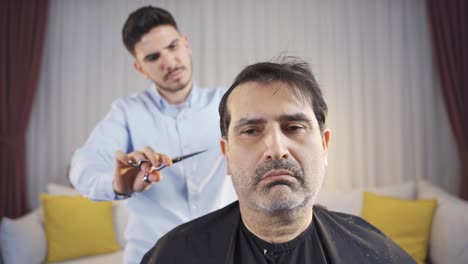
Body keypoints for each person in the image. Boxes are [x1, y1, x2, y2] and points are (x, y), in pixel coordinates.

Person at [140, 58, 416, 263]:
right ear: (226, 154)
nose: (275, 148)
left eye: (294, 127)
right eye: (250, 131)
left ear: (324, 145)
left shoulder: (375, 253)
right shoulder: (174, 255)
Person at [69, 6, 237, 264]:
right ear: (140, 68)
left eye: (172, 47)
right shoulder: (126, 112)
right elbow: (83, 167)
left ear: (186, 44)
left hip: (224, 253)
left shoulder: (229, 103)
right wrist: (118, 185)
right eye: (153, 57)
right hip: (151, 256)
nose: (168, 62)